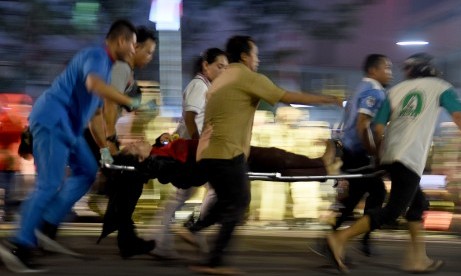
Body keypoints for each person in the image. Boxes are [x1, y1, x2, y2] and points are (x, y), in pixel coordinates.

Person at [179, 35, 342, 275]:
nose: (258, 60)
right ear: (245, 56)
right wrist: (326, 99)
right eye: (256, 54)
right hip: (227, 152)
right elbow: (286, 97)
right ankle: (213, 262)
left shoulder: (222, 79)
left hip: (210, 153)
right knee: (239, 203)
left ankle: (194, 230)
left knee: (228, 201)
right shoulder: (246, 77)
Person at [0, 19, 141, 273]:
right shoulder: (97, 55)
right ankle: (19, 244)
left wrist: (106, 152)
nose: (134, 50)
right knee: (49, 184)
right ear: (121, 41)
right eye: (133, 45)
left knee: (87, 171)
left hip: (70, 129)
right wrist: (129, 100)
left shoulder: (106, 67)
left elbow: (97, 116)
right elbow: (93, 85)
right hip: (53, 120)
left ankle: (46, 225)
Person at [325, 53, 461, 274]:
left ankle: (417, 259)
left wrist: (381, 157)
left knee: (417, 205)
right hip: (410, 157)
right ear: (429, 69)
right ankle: (340, 238)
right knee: (391, 212)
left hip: (391, 155)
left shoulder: (394, 91)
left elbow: (379, 129)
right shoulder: (441, 86)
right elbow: (460, 117)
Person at [85, 26, 158, 258]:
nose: (150, 57)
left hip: (99, 133)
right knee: (131, 177)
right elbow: (108, 104)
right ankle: (127, 238)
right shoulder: (122, 68)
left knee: (127, 181)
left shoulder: (126, 71)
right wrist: (110, 143)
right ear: (133, 47)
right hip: (95, 134)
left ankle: (127, 238)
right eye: (148, 52)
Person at [154, 48, 228, 258]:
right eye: (219, 66)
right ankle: (192, 230)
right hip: (194, 150)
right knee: (213, 189)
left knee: (186, 195)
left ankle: (166, 240)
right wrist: (197, 143)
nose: (223, 71)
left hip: (193, 148)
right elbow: (189, 117)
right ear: (206, 66)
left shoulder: (205, 86)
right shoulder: (198, 85)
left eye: (226, 67)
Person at [333, 54, 392, 256]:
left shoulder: (359, 88)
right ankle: (349, 238)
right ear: (373, 70)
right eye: (387, 68)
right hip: (358, 153)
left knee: (361, 195)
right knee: (375, 192)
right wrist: (374, 153)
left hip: (349, 152)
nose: (390, 73)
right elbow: (362, 125)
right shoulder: (374, 91)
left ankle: (352, 238)